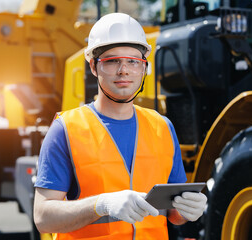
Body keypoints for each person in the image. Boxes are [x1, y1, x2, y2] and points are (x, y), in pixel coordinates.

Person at [33, 12, 207, 240]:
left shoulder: (162, 127)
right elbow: (43, 218)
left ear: (144, 68)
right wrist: (100, 204)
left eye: (133, 62)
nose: (124, 70)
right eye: (112, 61)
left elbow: (173, 214)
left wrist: (187, 210)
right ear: (94, 67)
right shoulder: (66, 129)